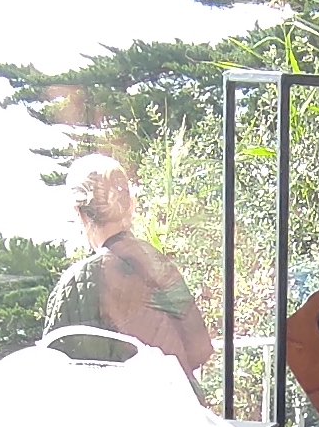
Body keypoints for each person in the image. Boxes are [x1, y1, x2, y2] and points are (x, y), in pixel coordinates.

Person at [45, 155, 216, 376]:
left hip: (128, 399)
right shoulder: (157, 262)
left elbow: (57, 373)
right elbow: (200, 350)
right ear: (129, 206)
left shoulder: (78, 282)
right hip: (180, 395)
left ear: (80, 214)